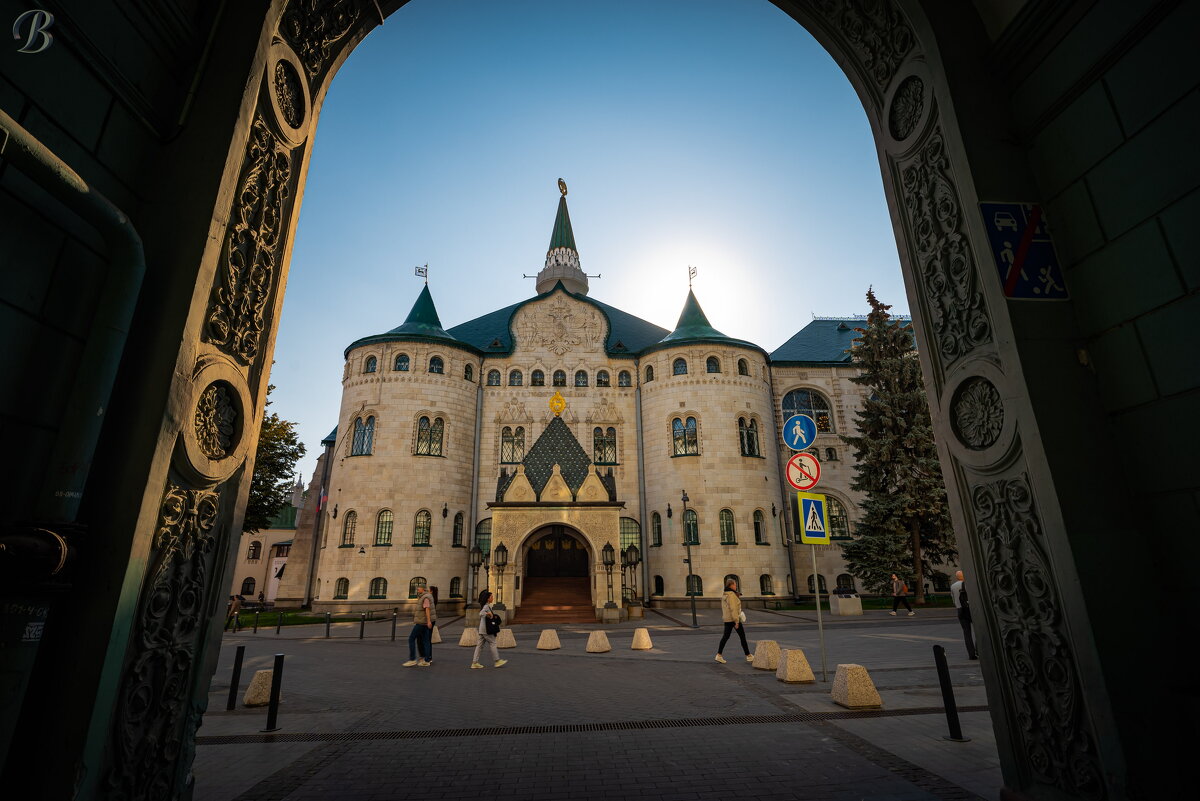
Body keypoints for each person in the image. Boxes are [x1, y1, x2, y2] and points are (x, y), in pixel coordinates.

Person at [714, 578, 752, 663]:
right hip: (733, 619)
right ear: (731, 585)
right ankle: (748, 655)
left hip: (727, 619)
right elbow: (733, 609)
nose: (736, 586)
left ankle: (719, 655)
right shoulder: (731, 595)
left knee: (726, 637)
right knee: (742, 637)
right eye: (735, 584)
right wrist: (736, 621)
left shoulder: (726, 593)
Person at [470, 590, 508, 669]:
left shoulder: (487, 605)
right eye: (491, 597)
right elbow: (481, 613)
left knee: (479, 646)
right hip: (486, 630)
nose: (492, 598)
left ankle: (474, 662)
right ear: (488, 598)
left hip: (482, 629)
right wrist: (488, 614)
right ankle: (497, 661)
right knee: (493, 643)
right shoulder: (486, 606)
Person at [403, 583, 436, 667]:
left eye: (419, 588)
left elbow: (427, 609)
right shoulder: (427, 596)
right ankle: (427, 660)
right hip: (424, 622)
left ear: (423, 589)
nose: (417, 589)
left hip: (422, 622)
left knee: (411, 638)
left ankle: (412, 659)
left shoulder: (425, 597)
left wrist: (428, 621)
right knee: (426, 641)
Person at [950, 570, 978, 659]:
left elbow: (953, 600)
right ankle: (978, 650)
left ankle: (971, 654)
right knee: (978, 631)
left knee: (966, 633)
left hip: (960, 610)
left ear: (957, 577)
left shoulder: (953, 586)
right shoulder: (968, 584)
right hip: (971, 609)